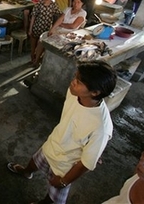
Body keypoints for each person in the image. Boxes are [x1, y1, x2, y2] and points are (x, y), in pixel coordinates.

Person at [7, 60, 117, 204]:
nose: (73, 82)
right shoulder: (73, 93)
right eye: (75, 77)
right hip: (53, 144)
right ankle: (26, 172)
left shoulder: (101, 127)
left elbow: (85, 164)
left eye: (79, 81)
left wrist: (64, 181)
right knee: (35, 161)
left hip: (65, 166)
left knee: (53, 197)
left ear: (95, 92)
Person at [31, 0, 87, 67]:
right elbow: (60, 19)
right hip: (58, 30)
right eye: (74, 2)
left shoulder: (83, 13)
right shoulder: (68, 9)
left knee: (51, 44)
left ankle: (46, 62)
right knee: (42, 39)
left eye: (78, 2)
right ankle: (36, 60)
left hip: (69, 34)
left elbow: (73, 26)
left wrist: (62, 24)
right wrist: (52, 29)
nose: (75, 4)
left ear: (82, 3)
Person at [28, 0, 62, 66]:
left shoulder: (54, 6)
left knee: (41, 47)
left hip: (45, 30)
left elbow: (60, 15)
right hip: (36, 28)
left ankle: (36, 61)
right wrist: (30, 29)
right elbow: (33, 17)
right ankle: (32, 59)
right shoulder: (39, 4)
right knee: (33, 47)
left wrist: (55, 27)